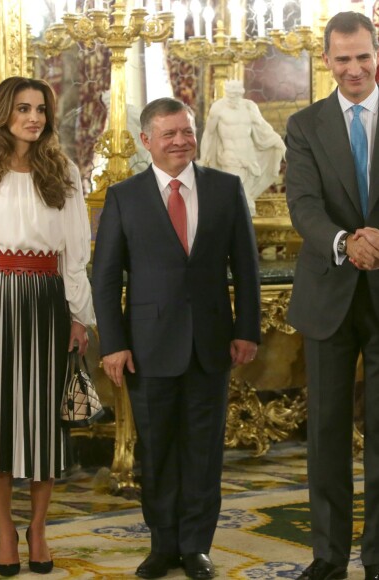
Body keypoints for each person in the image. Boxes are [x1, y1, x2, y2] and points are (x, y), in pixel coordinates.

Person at [91, 97, 261, 580]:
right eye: (169, 134)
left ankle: (197, 547)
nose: (181, 141)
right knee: (158, 450)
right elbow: (106, 278)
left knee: (204, 451)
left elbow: (245, 269)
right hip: (147, 348)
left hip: (212, 344)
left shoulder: (226, 190)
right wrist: (114, 343)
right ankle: (163, 545)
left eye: (187, 131)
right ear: (147, 142)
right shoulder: (124, 196)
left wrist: (247, 329)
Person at [0, 76, 94, 577]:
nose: (34, 118)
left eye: (41, 110)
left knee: (45, 421)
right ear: (4, 113)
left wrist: (79, 315)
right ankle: (6, 530)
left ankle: (39, 528)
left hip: (50, 301)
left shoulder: (64, 170)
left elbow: (75, 255)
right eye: (24, 108)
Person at [285, 11, 379, 580]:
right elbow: (303, 204)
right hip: (329, 290)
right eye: (341, 58)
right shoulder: (305, 124)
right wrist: (347, 242)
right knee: (326, 435)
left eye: (362, 56)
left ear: (378, 53)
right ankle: (328, 556)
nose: (353, 68)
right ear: (327, 61)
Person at [199, 79, 285, 216]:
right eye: (230, 95)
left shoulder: (249, 107)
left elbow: (263, 128)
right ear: (226, 93)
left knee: (247, 200)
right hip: (230, 158)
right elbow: (208, 134)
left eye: (236, 95)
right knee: (235, 198)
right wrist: (204, 158)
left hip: (250, 158)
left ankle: (245, 229)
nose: (233, 99)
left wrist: (277, 141)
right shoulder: (218, 109)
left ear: (241, 94)